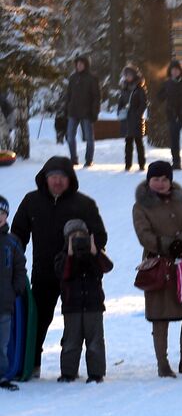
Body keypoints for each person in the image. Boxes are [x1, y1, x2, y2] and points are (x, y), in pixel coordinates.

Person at [9, 156, 107, 378]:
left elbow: (100, 235)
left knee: (77, 323)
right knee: (38, 321)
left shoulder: (84, 204)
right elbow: (18, 235)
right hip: (44, 273)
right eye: (53, 176)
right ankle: (31, 366)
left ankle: (75, 368)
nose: (57, 181)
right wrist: (11, 263)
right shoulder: (31, 201)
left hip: (76, 274)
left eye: (62, 176)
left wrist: (86, 251)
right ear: (44, 178)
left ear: (70, 179)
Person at [133, 160, 182, 377]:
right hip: (159, 265)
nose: (161, 183)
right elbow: (143, 234)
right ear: (149, 180)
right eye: (156, 179)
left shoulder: (181, 201)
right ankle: (162, 364)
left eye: (165, 179)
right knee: (160, 315)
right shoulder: (141, 206)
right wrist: (167, 245)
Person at [54, 219, 110, 383]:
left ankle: (96, 373)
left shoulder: (95, 255)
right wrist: (70, 255)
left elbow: (107, 267)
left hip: (94, 305)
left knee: (95, 341)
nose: (78, 238)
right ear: (67, 239)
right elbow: (64, 274)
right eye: (73, 236)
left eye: (81, 235)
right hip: (72, 306)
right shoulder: (62, 257)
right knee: (71, 341)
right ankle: (68, 372)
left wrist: (95, 252)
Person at [0, 195, 28, 391]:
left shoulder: (12, 242)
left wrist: (15, 289)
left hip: (4, 302)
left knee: (2, 343)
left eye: (2, 213)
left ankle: (1, 375)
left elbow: (20, 268)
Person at [62, 56, 100, 168]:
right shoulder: (73, 78)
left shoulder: (92, 78)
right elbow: (68, 95)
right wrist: (66, 108)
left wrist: (95, 112)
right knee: (70, 137)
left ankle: (89, 160)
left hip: (87, 112)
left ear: (85, 65)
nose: (79, 66)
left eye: (81, 64)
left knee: (89, 138)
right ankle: (73, 159)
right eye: (77, 64)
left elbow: (96, 97)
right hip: (73, 112)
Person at [116, 65, 148, 172]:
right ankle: (127, 164)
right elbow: (120, 102)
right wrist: (120, 112)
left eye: (129, 74)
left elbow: (143, 103)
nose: (128, 77)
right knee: (128, 142)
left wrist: (137, 114)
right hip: (126, 119)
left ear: (134, 75)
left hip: (137, 119)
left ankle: (141, 164)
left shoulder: (140, 89)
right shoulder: (124, 88)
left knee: (138, 142)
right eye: (126, 75)